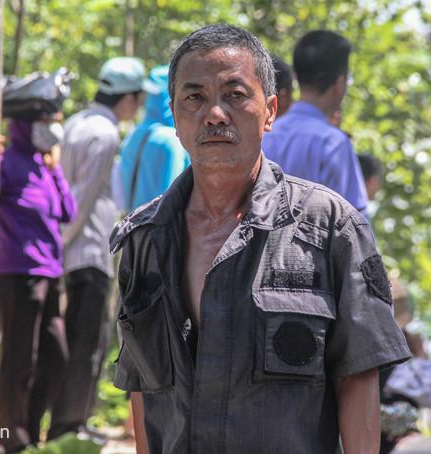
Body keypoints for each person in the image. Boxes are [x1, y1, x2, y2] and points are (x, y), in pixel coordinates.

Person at [109, 24, 410, 454]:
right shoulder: (144, 240)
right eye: (195, 98)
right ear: (174, 116)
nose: (215, 114)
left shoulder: (332, 228)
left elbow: (357, 375)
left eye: (235, 95)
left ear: (270, 111)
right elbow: (143, 389)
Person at [48, 56, 146, 440]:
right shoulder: (105, 134)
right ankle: (70, 425)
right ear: (128, 98)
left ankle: (68, 421)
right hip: (87, 250)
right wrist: (62, 242)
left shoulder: (75, 123)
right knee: (87, 342)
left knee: (73, 339)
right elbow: (81, 198)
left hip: (68, 250)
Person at [0, 113, 76, 453]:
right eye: (44, 120)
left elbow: (68, 211)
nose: (51, 126)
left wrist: (55, 168)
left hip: (51, 273)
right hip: (19, 272)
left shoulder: (43, 165)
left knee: (56, 357)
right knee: (19, 361)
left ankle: (29, 430)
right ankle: (13, 439)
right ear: (25, 124)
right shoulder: (7, 162)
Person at [262, 30, 369, 217]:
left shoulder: (265, 134)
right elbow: (355, 221)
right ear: (340, 82)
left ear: (297, 77)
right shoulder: (333, 142)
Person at [120, 64, 190, 211]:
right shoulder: (171, 140)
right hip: (159, 222)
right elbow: (171, 199)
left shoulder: (135, 133)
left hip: (133, 220)